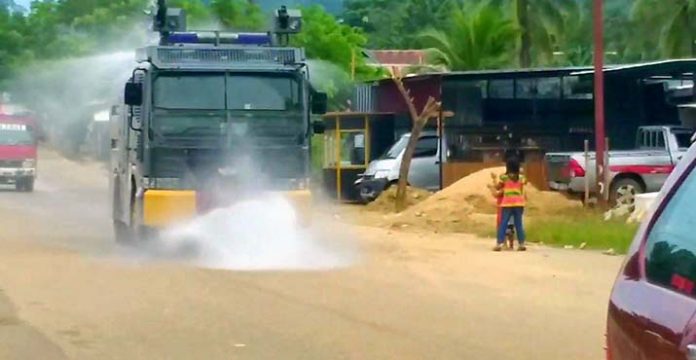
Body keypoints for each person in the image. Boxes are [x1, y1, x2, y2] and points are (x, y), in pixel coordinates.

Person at [494, 157, 527, 252]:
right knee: (519, 224)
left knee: (503, 223)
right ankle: (521, 244)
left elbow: (498, 187)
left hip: (507, 203)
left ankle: (499, 244)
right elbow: (524, 183)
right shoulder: (521, 178)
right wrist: (521, 172)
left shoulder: (504, 177)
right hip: (519, 203)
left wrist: (494, 179)